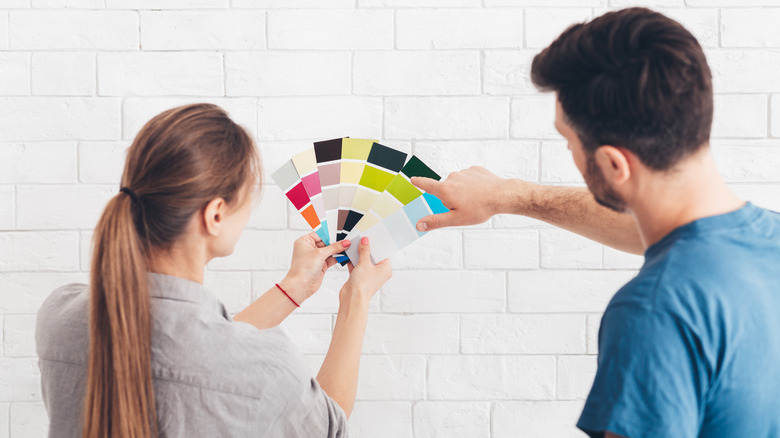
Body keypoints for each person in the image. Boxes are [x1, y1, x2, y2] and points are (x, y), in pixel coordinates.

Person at [412, 7, 780, 438]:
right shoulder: (760, 245)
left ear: (613, 163)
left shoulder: (654, 312)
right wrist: (509, 196)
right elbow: (661, 234)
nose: (569, 150)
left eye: (567, 140)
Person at [35, 103, 392, 437]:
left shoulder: (60, 315)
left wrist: (295, 286)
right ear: (215, 214)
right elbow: (329, 425)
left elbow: (198, 352)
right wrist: (356, 296)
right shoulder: (269, 369)